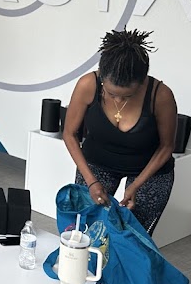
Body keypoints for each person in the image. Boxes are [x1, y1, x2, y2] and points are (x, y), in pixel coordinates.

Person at [62, 29, 178, 234]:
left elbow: (166, 147)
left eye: (127, 96)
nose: (118, 100)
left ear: (142, 82)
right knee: (87, 229)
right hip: (98, 163)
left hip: (148, 169)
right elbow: (69, 134)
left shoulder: (161, 95)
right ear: (101, 76)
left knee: (134, 235)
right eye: (111, 93)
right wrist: (91, 181)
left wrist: (135, 186)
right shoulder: (88, 85)